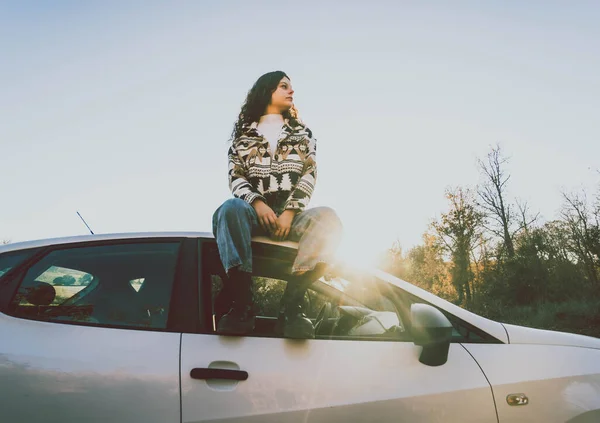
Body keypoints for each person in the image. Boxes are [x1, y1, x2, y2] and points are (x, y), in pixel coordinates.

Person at [212, 70, 342, 338]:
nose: (291, 92)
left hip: (292, 218)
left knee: (328, 219)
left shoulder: (302, 134)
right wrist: (258, 204)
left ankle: (291, 306)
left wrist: (290, 212)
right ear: (267, 91)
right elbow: (236, 178)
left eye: (291, 87)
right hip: (250, 213)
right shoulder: (242, 138)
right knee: (228, 210)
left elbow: (309, 173)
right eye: (283, 86)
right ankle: (242, 306)